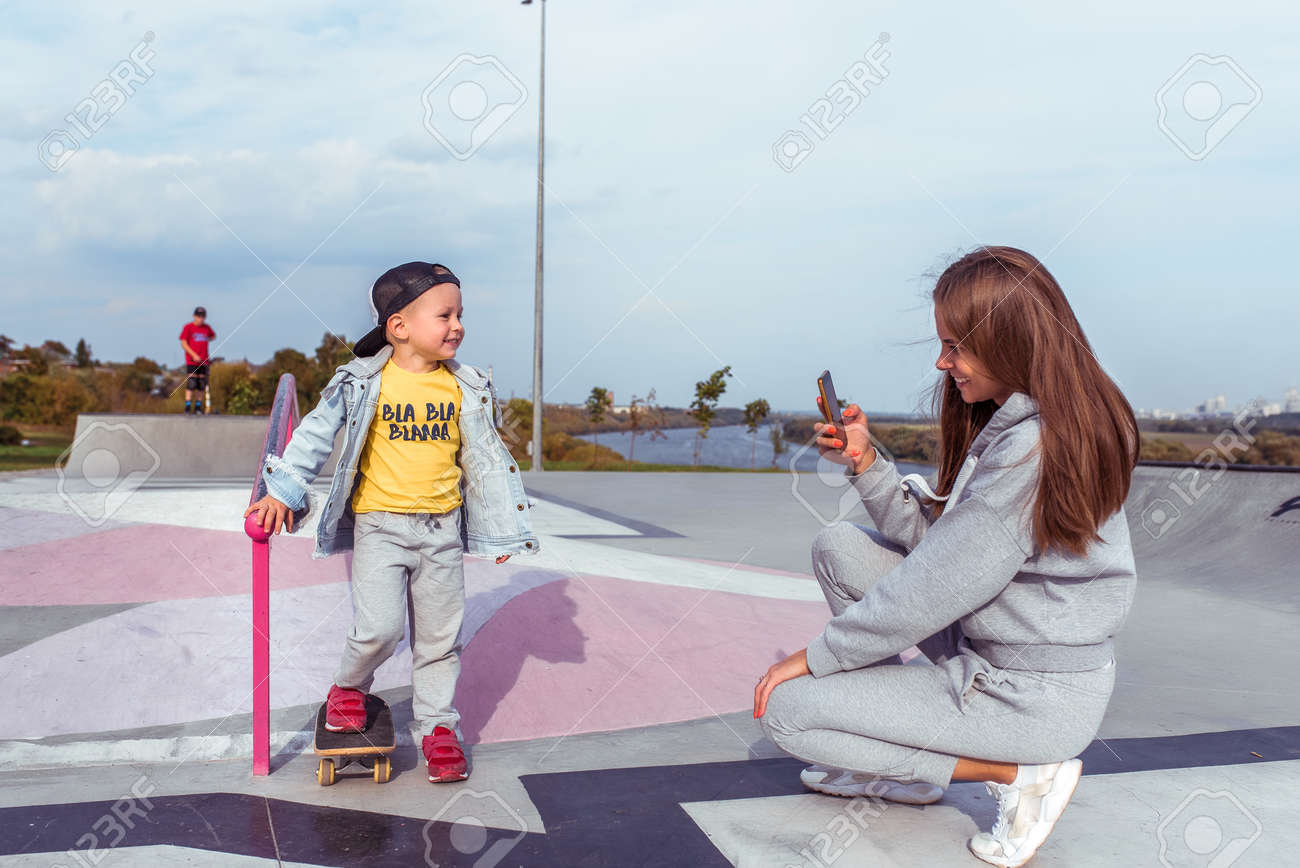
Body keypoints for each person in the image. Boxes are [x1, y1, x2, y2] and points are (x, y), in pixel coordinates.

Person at [754, 246, 1138, 868]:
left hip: (1026, 695)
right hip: (997, 655)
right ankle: (904, 764)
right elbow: (944, 550)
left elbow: (931, 588)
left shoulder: (1030, 451)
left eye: (955, 346)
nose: (942, 362)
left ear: (1009, 341)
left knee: (788, 714)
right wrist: (866, 462)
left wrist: (819, 657)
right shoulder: (1024, 427)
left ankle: (1023, 776)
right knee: (840, 548)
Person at [243, 261, 539, 783]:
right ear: (399, 326)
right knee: (379, 629)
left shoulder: (466, 386)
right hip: (380, 526)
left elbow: (483, 462)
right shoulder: (363, 382)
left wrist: (499, 528)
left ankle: (438, 727)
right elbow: (315, 435)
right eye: (445, 315)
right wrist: (281, 491)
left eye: (460, 315)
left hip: (442, 531)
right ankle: (349, 686)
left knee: (440, 639)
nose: (457, 326)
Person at [179, 306, 215, 414]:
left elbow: (213, 336)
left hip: (204, 360)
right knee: (192, 383)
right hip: (192, 361)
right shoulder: (188, 327)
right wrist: (193, 354)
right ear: (194, 316)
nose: (200, 319)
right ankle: (187, 406)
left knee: (201, 384)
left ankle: (198, 407)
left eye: (202, 316)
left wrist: (207, 339)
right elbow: (183, 343)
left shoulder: (206, 328)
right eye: (199, 316)